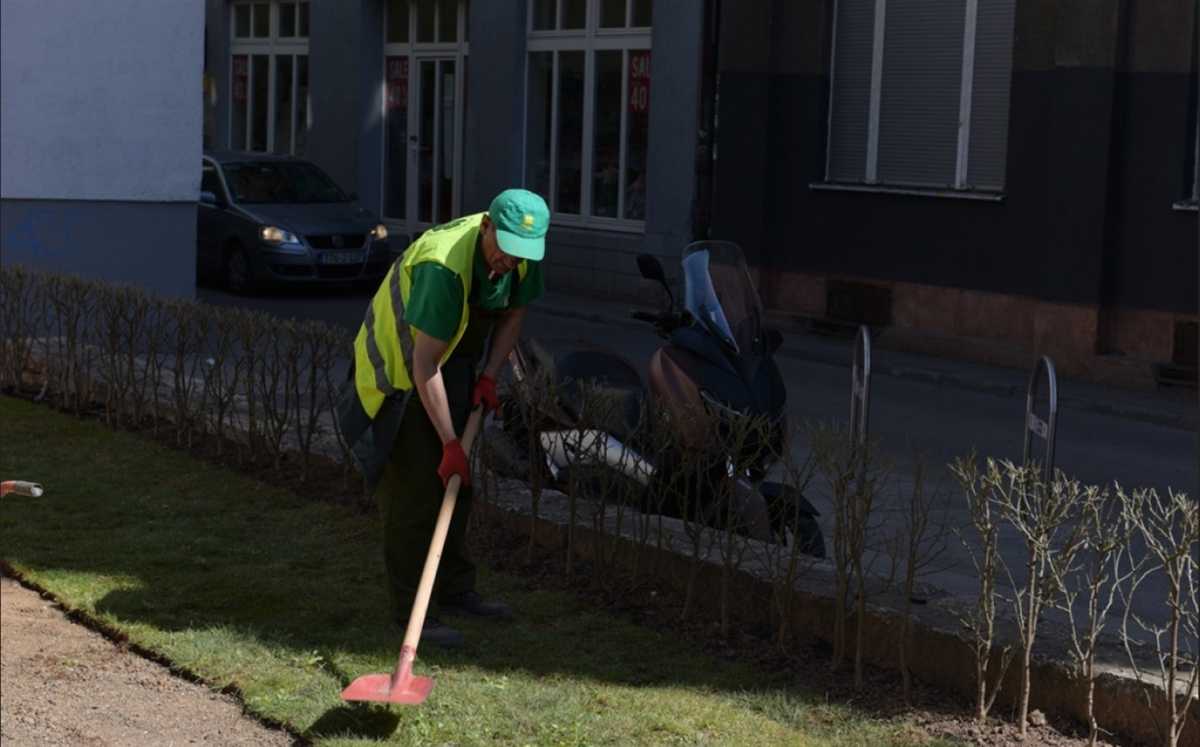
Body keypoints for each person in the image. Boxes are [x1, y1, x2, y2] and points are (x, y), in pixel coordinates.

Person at [337, 188, 549, 647]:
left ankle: (454, 589)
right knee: (416, 492)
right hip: (398, 375)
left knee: (459, 487)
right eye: (504, 249)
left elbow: (514, 312)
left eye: (521, 254)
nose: (509, 261)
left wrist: (490, 375)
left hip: (453, 363)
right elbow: (423, 364)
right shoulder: (442, 266)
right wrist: (450, 443)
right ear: (486, 226)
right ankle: (414, 612)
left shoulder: (521, 254)